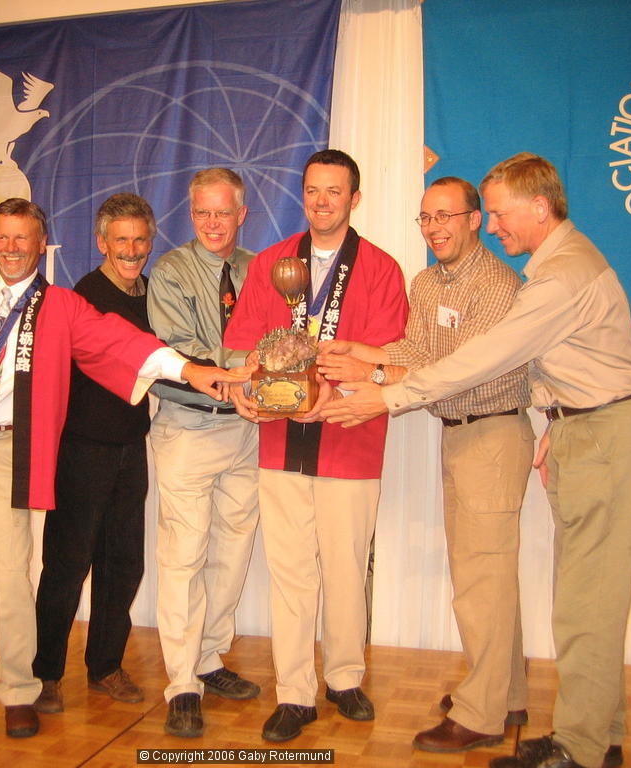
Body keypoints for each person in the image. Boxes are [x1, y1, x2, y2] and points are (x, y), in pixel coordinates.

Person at [321, 153, 631, 768]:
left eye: (499, 214)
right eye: (425, 217)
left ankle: (572, 744)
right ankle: (588, 733)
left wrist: (384, 392)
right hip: (586, 431)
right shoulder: (551, 268)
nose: (497, 225)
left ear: (538, 207)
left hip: (592, 438)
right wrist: (560, 414)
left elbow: (484, 361)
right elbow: (550, 359)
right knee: (578, 599)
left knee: (580, 606)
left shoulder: (551, 278)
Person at [0, 197, 242, 739]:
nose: (11, 248)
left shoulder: (61, 307)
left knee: (9, 573)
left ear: (40, 243)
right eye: (3, 237)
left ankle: (19, 688)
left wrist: (189, 369)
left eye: (22, 238)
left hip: (5, 448)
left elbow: (122, 343)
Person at [316, 176, 533, 752]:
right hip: (459, 436)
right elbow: (417, 353)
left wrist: (374, 378)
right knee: (485, 576)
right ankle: (506, 694)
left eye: (446, 216)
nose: (434, 228)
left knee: (480, 582)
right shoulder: (428, 281)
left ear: (474, 220)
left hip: (493, 434)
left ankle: (481, 715)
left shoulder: (495, 286)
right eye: (426, 218)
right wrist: (359, 350)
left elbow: (458, 373)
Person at [224, 150, 408, 742]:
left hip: (349, 437)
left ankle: (346, 677)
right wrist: (245, 387)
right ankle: (295, 692)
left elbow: (393, 356)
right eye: (312, 191)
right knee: (290, 572)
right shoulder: (271, 263)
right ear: (301, 195)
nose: (322, 202)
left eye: (334, 191)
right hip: (281, 439)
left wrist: (337, 385)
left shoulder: (380, 268)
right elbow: (242, 345)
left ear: (355, 199)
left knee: (348, 568)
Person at [31, 194, 158, 714]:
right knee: (67, 564)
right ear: (101, 242)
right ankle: (44, 674)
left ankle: (105, 665)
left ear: (150, 242)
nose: (131, 250)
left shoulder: (153, 295)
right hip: (81, 449)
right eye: (120, 240)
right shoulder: (83, 296)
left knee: (123, 564)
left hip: (131, 445)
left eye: (140, 239)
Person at [147, 168, 261, 738]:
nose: (213, 223)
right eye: (202, 213)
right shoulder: (170, 272)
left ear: (242, 214)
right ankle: (182, 682)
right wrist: (244, 373)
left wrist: (267, 374)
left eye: (223, 212)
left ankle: (211, 657)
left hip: (246, 432)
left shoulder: (259, 271)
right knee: (184, 557)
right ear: (191, 215)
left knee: (233, 552)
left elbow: (272, 341)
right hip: (189, 429)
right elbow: (181, 351)